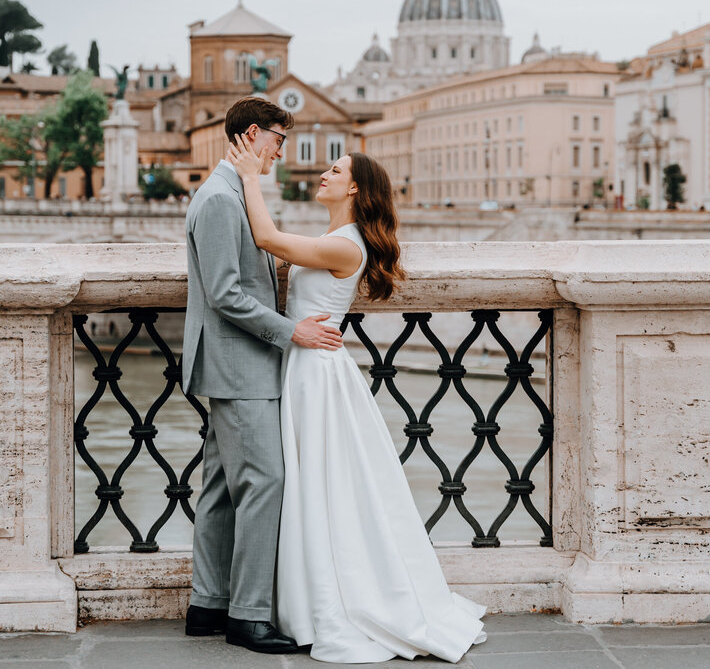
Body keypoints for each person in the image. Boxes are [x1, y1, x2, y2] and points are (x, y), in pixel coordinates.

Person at [226, 136, 488, 663]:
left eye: (335, 169)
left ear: (356, 189)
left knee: (321, 483)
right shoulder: (336, 236)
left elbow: (265, 236)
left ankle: (324, 599)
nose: (324, 174)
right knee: (318, 481)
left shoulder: (345, 245)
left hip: (317, 372)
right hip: (308, 365)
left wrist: (251, 177)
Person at [182, 96, 344, 655]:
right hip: (241, 363)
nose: (282, 150)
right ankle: (247, 616)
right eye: (278, 139)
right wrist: (289, 331)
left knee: (224, 488)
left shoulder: (226, 192)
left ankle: (208, 604)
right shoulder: (223, 200)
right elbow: (226, 293)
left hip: (233, 361)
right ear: (254, 135)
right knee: (264, 482)